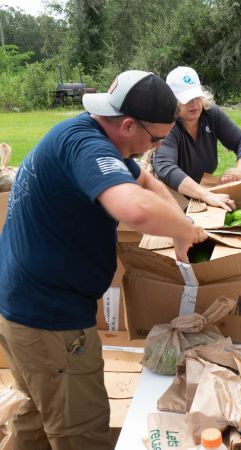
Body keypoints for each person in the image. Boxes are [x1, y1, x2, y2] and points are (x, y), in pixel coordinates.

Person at [0, 70, 208, 450]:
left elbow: (143, 183)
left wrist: (184, 219)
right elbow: (133, 208)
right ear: (128, 124)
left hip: (22, 312)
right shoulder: (87, 147)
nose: (154, 149)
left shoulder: (90, 135)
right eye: (156, 139)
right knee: (82, 434)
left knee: (33, 420)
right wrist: (183, 230)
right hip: (51, 321)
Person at [153, 66, 241, 211]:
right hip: (172, 199)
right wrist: (205, 195)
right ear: (172, 101)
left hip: (202, 192)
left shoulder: (210, 114)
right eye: (187, 99)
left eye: (196, 97)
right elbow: (165, 167)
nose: (194, 104)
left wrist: (239, 174)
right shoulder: (168, 125)